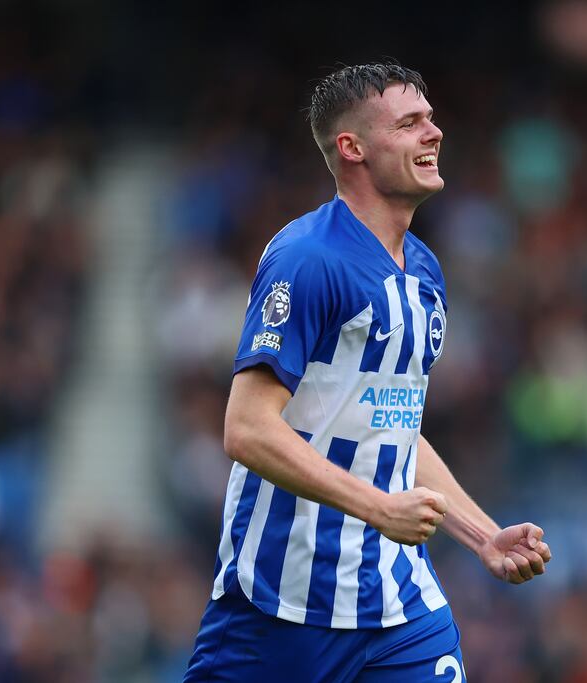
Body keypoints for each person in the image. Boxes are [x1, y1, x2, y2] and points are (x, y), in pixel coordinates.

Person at [183, 62, 552, 682]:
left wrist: (482, 535)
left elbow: (393, 426)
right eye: (409, 123)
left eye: (430, 118)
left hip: (400, 607)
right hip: (284, 605)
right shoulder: (307, 260)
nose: (434, 133)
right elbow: (246, 429)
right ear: (352, 148)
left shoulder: (425, 272)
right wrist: (380, 508)